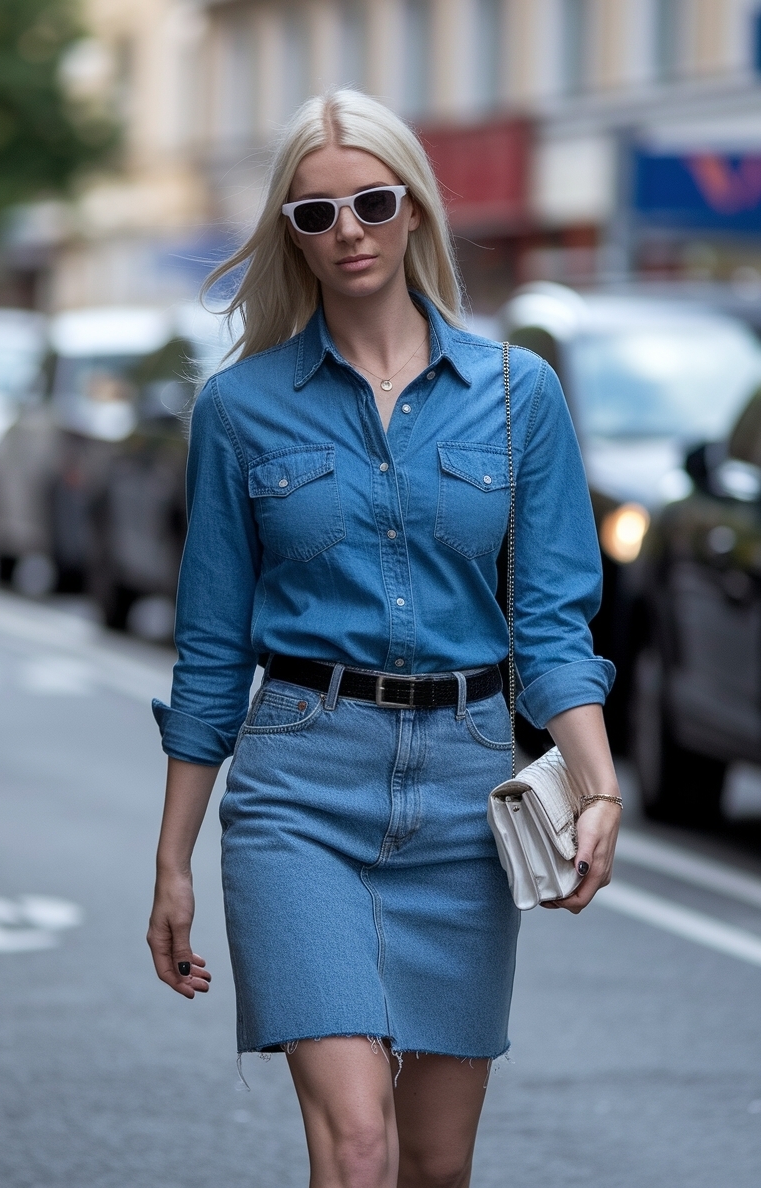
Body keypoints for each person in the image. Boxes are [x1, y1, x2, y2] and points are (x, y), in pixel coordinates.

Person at [147, 88, 621, 1188]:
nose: (346, 230)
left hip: (466, 794)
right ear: (289, 237)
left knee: (435, 1165)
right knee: (359, 1147)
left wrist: (595, 788)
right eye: (314, 214)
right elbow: (211, 650)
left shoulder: (519, 397)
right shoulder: (239, 410)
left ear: (413, 212)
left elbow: (552, 626)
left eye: (370, 201)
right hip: (299, 791)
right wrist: (172, 861)